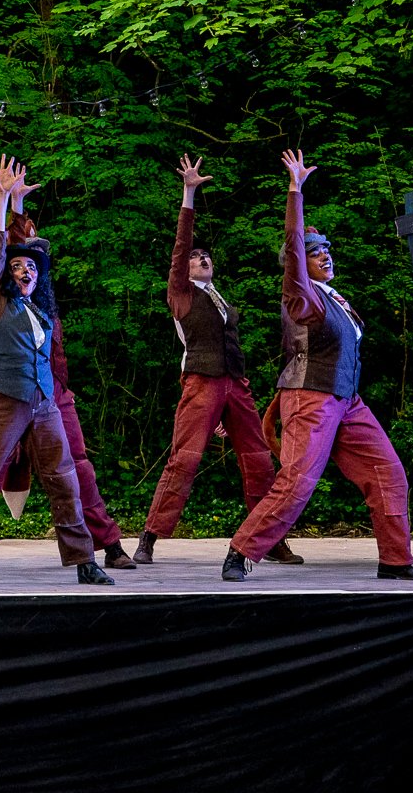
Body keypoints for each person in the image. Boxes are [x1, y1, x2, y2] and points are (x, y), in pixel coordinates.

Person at [222, 150, 413, 583]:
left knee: (388, 472)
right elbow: (291, 249)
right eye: (314, 252)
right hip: (310, 396)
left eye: (326, 248)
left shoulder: (334, 297)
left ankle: (396, 561)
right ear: (299, 266)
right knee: (297, 481)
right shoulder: (302, 295)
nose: (324, 255)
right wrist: (295, 191)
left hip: (346, 400)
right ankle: (242, 550)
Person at [0, 156, 112, 588]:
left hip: (43, 402)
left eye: (31, 267)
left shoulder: (38, 309)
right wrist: (2, 198)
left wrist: (20, 211)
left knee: (64, 478)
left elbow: (26, 248)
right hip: (4, 398)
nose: (25, 269)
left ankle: (84, 560)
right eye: (18, 266)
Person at [0, 186, 136, 571]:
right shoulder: (5, 295)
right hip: (9, 390)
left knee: (76, 468)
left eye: (37, 259)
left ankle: (107, 545)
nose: (28, 266)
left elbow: (29, 259)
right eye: (23, 259)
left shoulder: (46, 303)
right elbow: (7, 254)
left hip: (51, 395)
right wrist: (12, 202)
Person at [135, 155, 289, 566]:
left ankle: (269, 538)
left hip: (234, 385)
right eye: (196, 257)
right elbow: (180, 247)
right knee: (184, 458)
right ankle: (149, 537)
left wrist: (229, 402)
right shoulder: (182, 293)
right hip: (201, 380)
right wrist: (189, 194)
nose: (202, 259)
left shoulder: (219, 298)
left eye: (207, 256)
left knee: (258, 459)